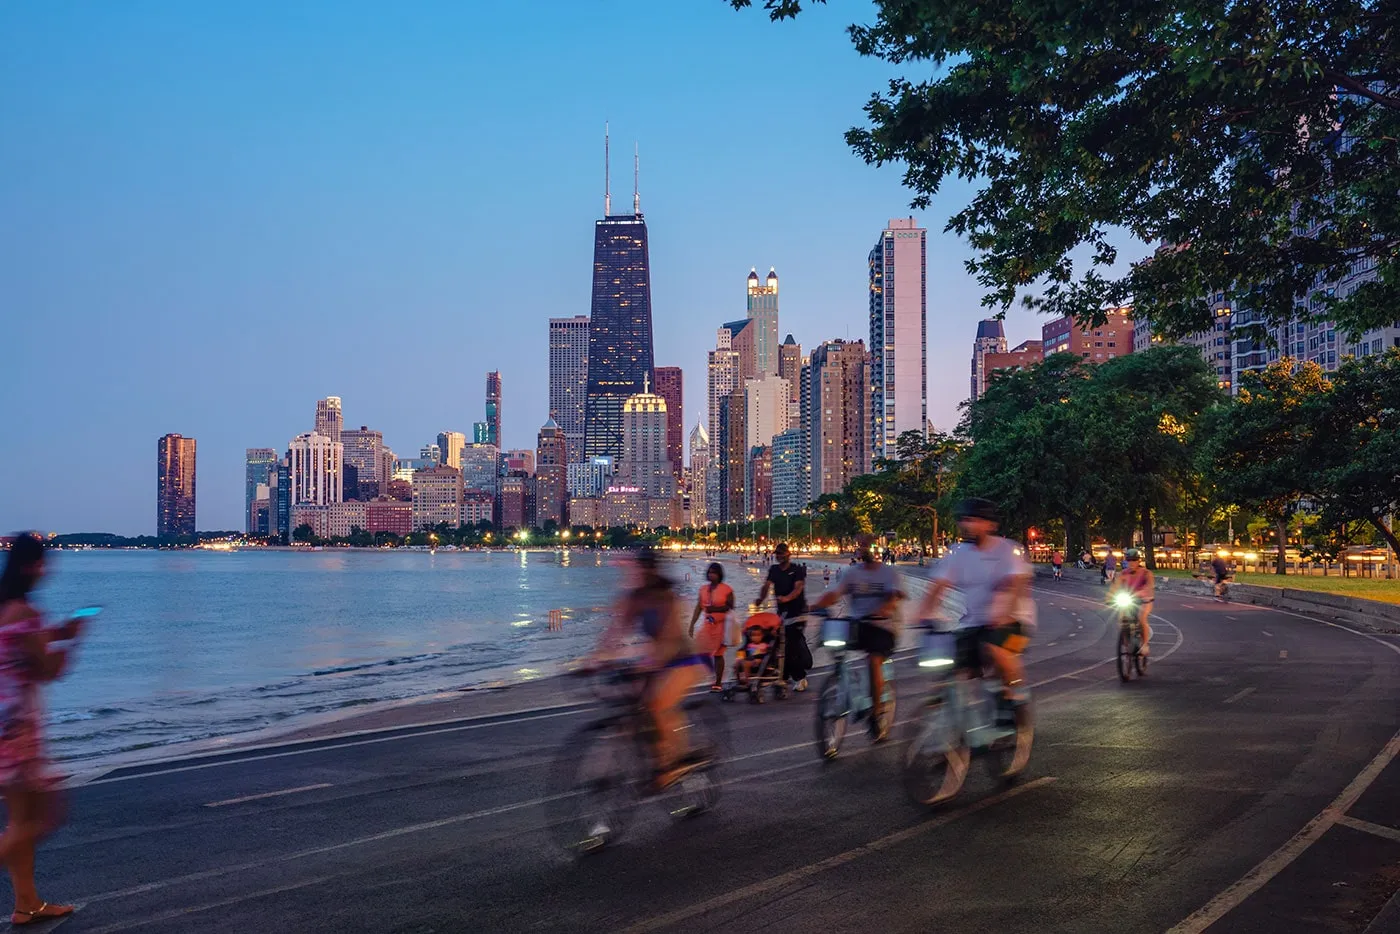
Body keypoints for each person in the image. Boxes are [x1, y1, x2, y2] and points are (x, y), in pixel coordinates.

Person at [0, 534, 83, 926]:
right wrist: (74, 643)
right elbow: (49, 671)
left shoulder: (7, 610)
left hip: (5, 725)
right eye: (44, 563)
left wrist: (57, 634)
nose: (47, 570)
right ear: (31, 567)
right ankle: (26, 903)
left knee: (21, 820)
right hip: (18, 730)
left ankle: (26, 904)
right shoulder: (26, 613)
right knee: (45, 816)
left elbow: (18, 646)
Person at [913, 499, 1034, 763]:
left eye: (975, 519)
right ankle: (959, 726)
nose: (968, 525)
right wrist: (923, 612)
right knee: (953, 671)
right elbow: (938, 585)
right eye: (964, 519)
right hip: (973, 622)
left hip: (1013, 619)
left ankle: (1016, 695)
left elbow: (1015, 585)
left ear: (990, 524)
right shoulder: (957, 553)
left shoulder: (1008, 551)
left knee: (994, 649)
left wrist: (1002, 611)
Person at [591, 547, 709, 789]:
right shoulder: (633, 599)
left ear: (653, 570)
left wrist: (647, 664)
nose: (639, 573)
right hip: (655, 661)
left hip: (682, 660)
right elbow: (614, 633)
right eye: (638, 568)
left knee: (657, 705)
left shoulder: (667, 598)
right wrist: (593, 661)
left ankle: (673, 764)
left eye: (645, 568)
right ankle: (655, 756)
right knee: (634, 711)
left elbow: (669, 638)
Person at [812, 534, 905, 741]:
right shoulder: (851, 573)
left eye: (867, 546)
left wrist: (884, 609)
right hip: (857, 626)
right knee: (834, 647)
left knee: (873, 659)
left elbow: (894, 596)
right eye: (860, 546)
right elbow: (834, 594)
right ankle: (842, 685)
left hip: (883, 627)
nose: (863, 549)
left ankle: (876, 712)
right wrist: (814, 606)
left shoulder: (888, 573)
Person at [756, 543, 811, 691]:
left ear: (788, 554)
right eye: (777, 554)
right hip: (782, 614)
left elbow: (798, 588)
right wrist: (760, 599)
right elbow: (766, 586)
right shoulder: (774, 570)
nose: (779, 556)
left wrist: (787, 598)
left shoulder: (797, 570)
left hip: (798, 613)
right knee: (778, 645)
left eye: (781, 553)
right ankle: (783, 676)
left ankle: (800, 677)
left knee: (790, 645)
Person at [688, 562, 734, 692]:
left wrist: (715, 608)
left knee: (718, 654)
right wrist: (692, 624)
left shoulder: (727, 589)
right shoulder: (703, 589)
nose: (711, 575)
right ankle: (713, 674)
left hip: (722, 626)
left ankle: (718, 682)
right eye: (709, 572)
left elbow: (730, 606)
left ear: (719, 574)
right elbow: (699, 607)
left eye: (714, 572)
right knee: (699, 650)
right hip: (707, 625)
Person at [1111, 548, 1154, 656]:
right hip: (1129, 599)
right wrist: (1109, 597)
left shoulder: (1146, 573)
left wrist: (1145, 595)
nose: (1131, 563)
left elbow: (1149, 587)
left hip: (1144, 600)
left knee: (1141, 618)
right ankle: (1127, 643)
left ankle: (1145, 645)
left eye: (1134, 560)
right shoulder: (1123, 573)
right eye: (1129, 560)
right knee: (1122, 620)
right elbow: (1115, 587)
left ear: (1139, 561)